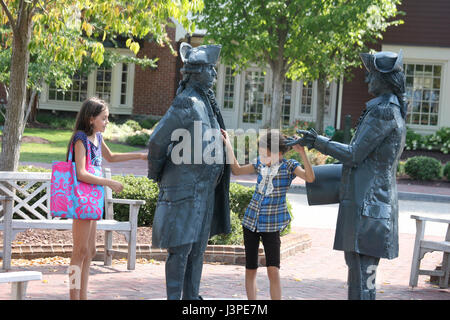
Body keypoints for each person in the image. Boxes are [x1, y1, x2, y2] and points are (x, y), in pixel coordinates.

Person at [287, 50, 407, 300]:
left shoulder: (383, 111)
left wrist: (317, 141)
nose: (367, 80)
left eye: (370, 75)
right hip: (374, 207)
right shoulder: (390, 109)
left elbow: (354, 154)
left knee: (362, 278)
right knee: (365, 277)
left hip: (367, 209)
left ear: (383, 79)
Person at [147, 43, 231, 300]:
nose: (215, 75)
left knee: (197, 249)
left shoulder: (206, 103)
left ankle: (191, 299)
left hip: (204, 190)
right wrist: (156, 173)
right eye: (211, 70)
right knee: (181, 249)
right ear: (197, 72)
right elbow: (157, 140)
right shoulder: (187, 102)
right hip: (186, 189)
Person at [67, 97, 147, 300]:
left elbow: (111, 158)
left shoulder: (97, 138)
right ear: (91, 118)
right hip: (82, 198)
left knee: (90, 251)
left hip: (93, 199)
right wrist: (109, 182)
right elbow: (81, 173)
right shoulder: (80, 139)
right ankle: (73, 296)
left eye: (107, 118)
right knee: (80, 251)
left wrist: (139, 156)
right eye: (104, 118)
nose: (107, 122)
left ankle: (82, 296)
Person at [221, 129, 315, 300]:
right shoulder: (259, 164)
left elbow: (310, 178)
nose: (261, 157)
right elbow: (236, 170)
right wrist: (227, 144)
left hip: (271, 225)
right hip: (251, 222)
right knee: (250, 269)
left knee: (273, 270)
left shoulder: (289, 166)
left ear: (278, 153)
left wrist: (302, 153)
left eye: (265, 154)